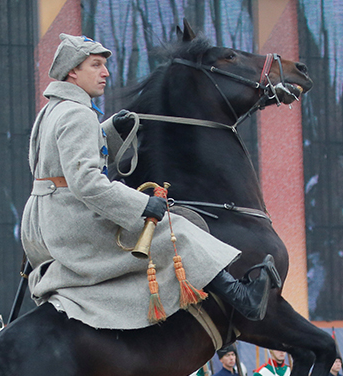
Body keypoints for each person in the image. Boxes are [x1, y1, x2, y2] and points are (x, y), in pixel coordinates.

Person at [20, 34, 279, 332]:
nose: (105, 72)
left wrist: (110, 130)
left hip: (45, 221)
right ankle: (242, 297)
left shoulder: (53, 110)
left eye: (104, 65)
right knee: (176, 229)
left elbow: (64, 165)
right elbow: (87, 183)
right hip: (74, 224)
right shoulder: (78, 114)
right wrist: (144, 205)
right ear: (72, 72)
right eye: (96, 65)